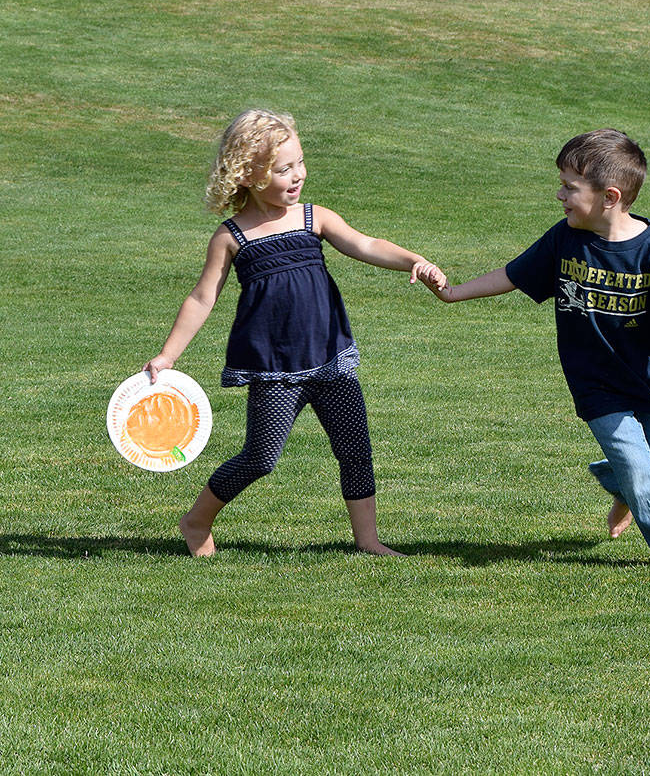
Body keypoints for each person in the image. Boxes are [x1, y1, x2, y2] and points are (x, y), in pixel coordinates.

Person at [143, 109, 446, 557]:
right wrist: (168, 355)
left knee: (355, 450)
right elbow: (202, 298)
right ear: (246, 174)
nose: (298, 175)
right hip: (274, 369)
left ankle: (368, 541)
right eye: (283, 169)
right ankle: (196, 520)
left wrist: (413, 260)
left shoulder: (313, 218)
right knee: (260, 458)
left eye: (300, 163)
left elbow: (365, 244)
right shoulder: (231, 237)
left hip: (330, 360)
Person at [420, 129, 650, 570]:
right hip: (594, 381)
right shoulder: (565, 239)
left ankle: (620, 488)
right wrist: (452, 293)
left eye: (569, 187)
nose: (559, 194)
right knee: (642, 471)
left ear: (609, 196)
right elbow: (514, 274)